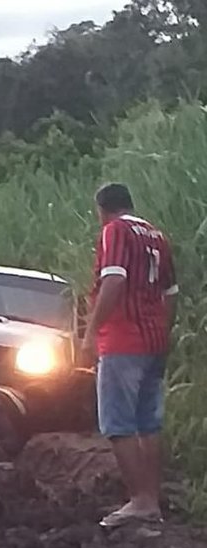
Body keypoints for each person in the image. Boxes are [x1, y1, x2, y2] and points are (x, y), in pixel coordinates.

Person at [82, 183, 178, 528]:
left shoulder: (115, 230)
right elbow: (170, 293)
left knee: (117, 424)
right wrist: (162, 333)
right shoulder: (156, 236)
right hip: (153, 342)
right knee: (147, 423)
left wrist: (92, 331)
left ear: (102, 209)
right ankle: (151, 500)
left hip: (123, 341)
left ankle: (139, 501)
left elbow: (114, 280)